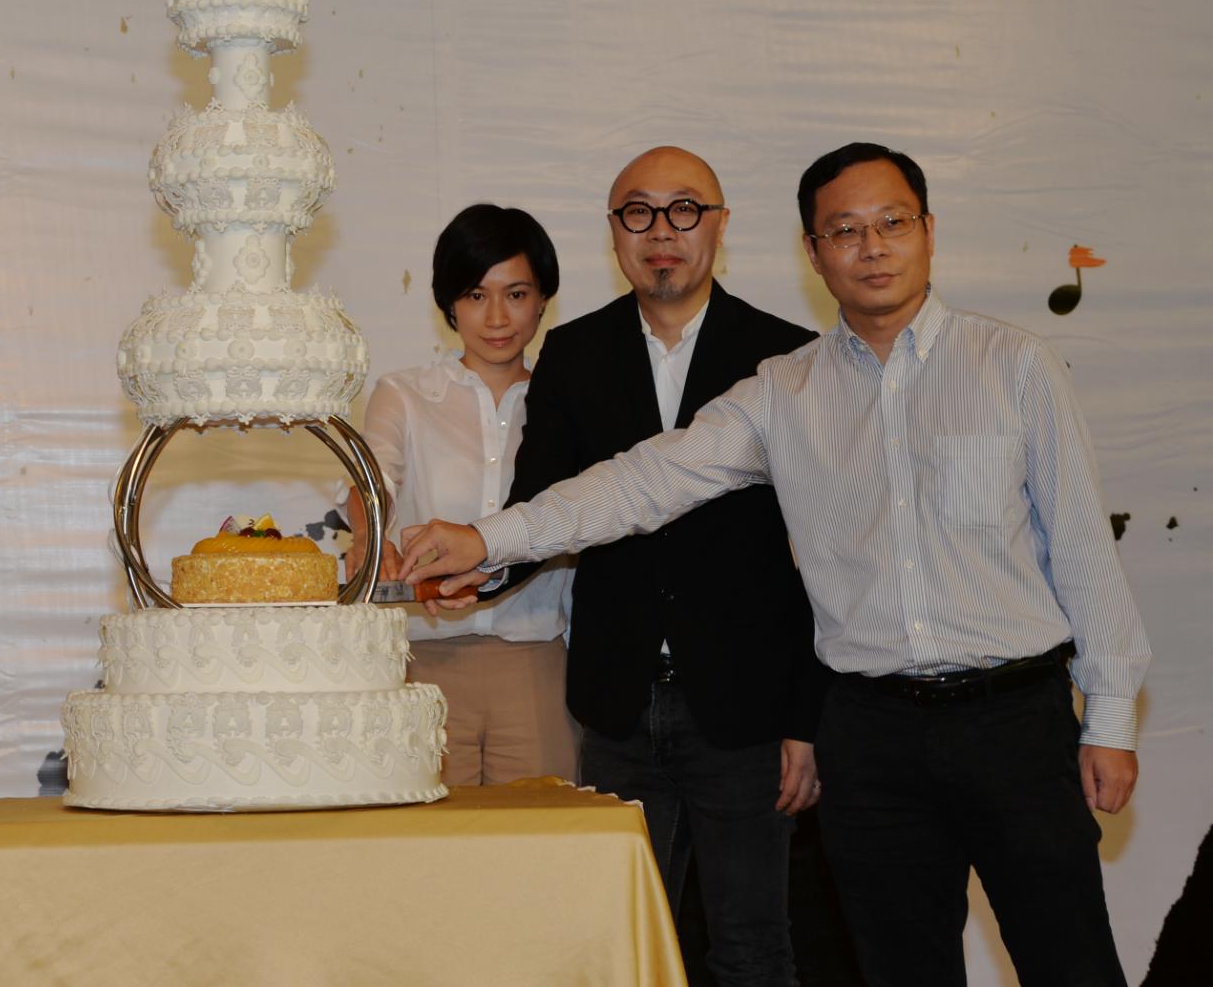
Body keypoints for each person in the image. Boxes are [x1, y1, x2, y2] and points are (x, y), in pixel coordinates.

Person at [400, 143, 1150, 987]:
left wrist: (1110, 718)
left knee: (1071, 964)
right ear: (813, 252)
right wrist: (487, 539)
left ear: (928, 231)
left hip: (1014, 722)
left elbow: (1082, 547)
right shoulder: (781, 390)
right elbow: (640, 482)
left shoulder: (1014, 364)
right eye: (845, 230)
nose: (871, 246)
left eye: (892, 223)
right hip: (870, 737)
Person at [505, 146, 823, 986]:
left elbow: (820, 557)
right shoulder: (573, 352)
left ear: (720, 224)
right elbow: (539, 506)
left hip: (746, 710)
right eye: (638, 212)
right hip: (617, 705)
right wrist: (465, 558)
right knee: (621, 951)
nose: (662, 231)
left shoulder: (789, 356)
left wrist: (805, 717)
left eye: (685, 209)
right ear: (614, 232)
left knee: (753, 947)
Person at [347, 202, 578, 784]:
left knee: (542, 835)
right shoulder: (404, 394)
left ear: (543, 299)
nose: (496, 316)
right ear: (449, 302)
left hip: (536, 664)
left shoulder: (569, 404)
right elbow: (373, 479)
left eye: (516, 294)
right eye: (476, 295)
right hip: (424, 658)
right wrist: (368, 538)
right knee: (428, 838)